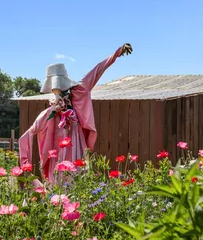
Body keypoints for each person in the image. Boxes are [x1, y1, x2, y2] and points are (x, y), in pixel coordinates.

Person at [19, 43, 133, 183]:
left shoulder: (78, 91)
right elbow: (27, 135)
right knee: (59, 177)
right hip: (58, 150)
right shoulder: (49, 113)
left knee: (75, 173)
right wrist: (26, 167)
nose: (55, 89)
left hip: (75, 143)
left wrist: (116, 54)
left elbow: (96, 71)